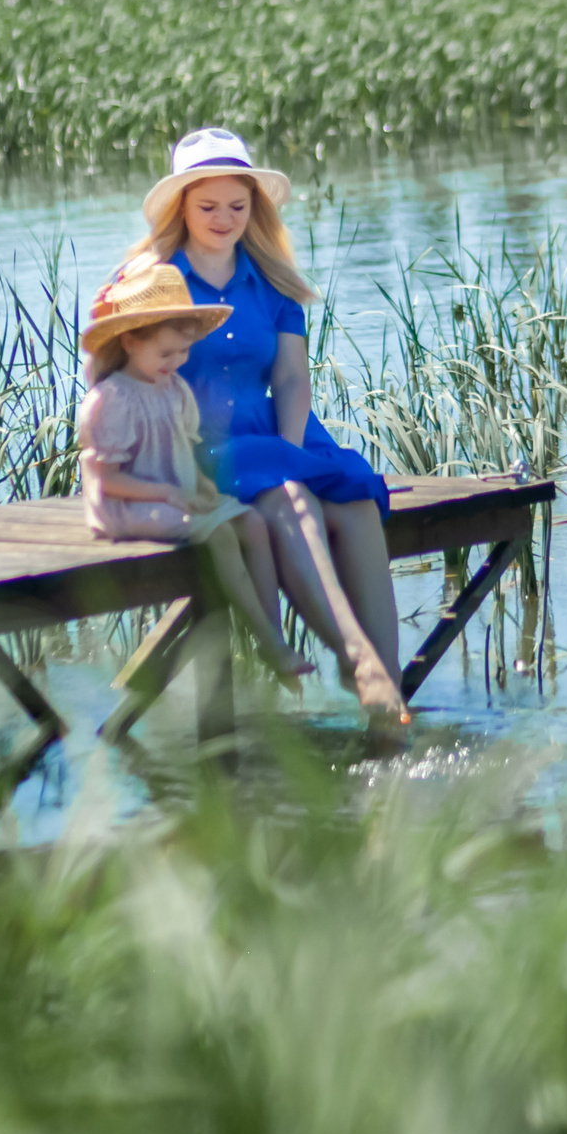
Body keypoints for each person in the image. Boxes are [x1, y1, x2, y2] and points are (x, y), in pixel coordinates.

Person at [117, 127, 410, 723]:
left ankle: (390, 690)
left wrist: (290, 448)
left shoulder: (273, 283)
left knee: (353, 501)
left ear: (254, 208)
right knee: (290, 497)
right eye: (207, 206)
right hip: (195, 444)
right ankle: (357, 661)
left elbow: (294, 380)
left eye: (237, 205)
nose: (223, 218)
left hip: (276, 430)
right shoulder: (153, 282)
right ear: (181, 209)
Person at [78, 260, 312, 679]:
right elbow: (106, 479)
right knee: (221, 534)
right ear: (129, 341)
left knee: (253, 524)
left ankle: (275, 634)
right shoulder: (112, 400)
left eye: (184, 351)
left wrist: (202, 486)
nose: (177, 361)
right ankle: (269, 643)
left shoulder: (174, 390)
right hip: (125, 507)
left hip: (175, 496)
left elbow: (183, 454)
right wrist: (168, 494)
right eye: (165, 352)